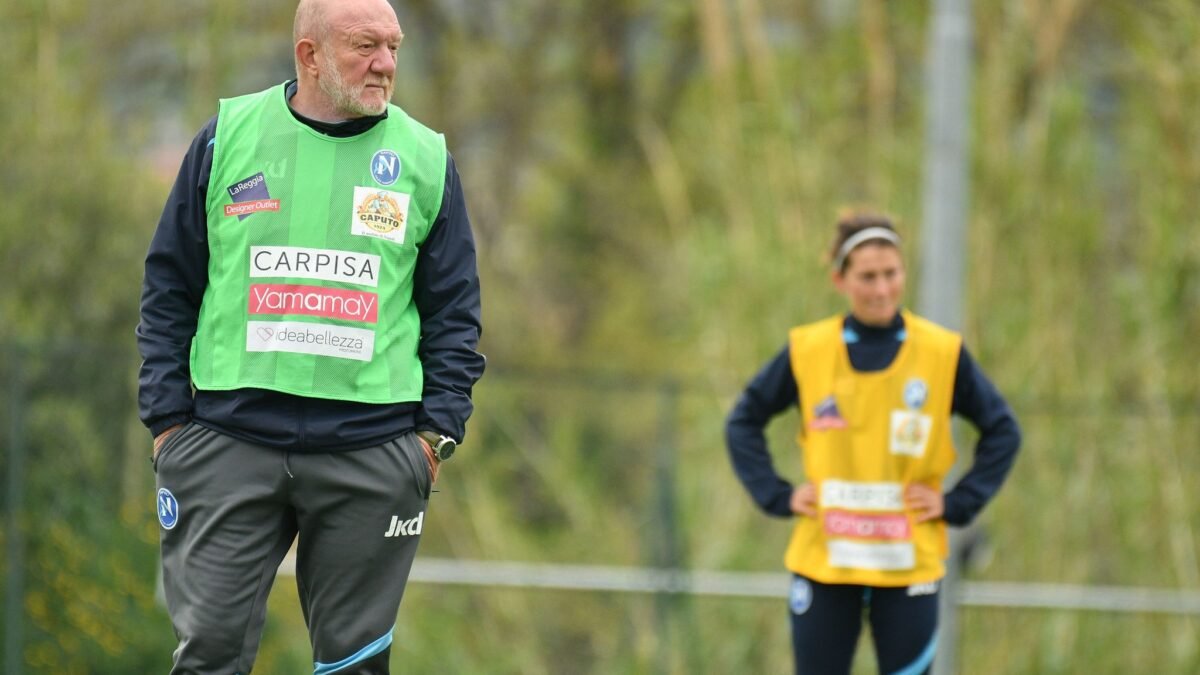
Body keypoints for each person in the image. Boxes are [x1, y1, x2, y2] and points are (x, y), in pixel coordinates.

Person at [136, 0, 485, 672]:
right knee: (207, 654)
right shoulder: (227, 137)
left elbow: (456, 314)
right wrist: (168, 424)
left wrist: (433, 438)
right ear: (310, 56)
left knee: (355, 664)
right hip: (223, 443)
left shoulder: (426, 159)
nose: (385, 63)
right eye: (364, 45)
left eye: (393, 45)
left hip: (373, 452)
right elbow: (169, 287)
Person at [725, 210, 1019, 674]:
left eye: (891, 274)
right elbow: (743, 421)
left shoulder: (941, 353)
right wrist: (777, 494)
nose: (881, 289)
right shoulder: (810, 349)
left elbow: (1003, 430)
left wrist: (958, 502)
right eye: (867, 276)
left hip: (908, 565)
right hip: (826, 560)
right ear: (840, 279)